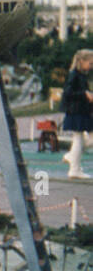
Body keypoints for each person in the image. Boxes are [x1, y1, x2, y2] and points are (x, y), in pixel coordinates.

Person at [61, 50, 93, 178]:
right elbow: (67, 94)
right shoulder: (74, 75)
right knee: (78, 138)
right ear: (81, 61)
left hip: (81, 111)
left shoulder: (80, 75)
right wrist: (85, 94)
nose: (92, 66)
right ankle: (74, 169)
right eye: (90, 63)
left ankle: (72, 157)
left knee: (80, 140)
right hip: (76, 111)